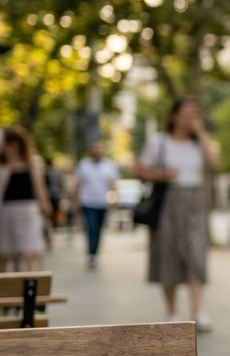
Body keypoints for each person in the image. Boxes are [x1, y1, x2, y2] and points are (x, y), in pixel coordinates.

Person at [134, 98, 219, 331]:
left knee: (195, 252)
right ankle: (172, 311)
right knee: (168, 251)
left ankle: (198, 311)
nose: (189, 119)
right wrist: (162, 176)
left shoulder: (198, 143)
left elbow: (214, 162)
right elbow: (140, 170)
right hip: (168, 201)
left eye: (194, 115)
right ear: (173, 116)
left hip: (195, 201)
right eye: (185, 114)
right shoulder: (159, 142)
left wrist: (201, 133)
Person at [0, 127, 52, 272]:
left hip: (28, 212)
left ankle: (31, 285)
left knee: (31, 252)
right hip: (5, 213)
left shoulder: (33, 164)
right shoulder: (2, 167)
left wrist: (46, 211)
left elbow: (40, 189)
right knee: (6, 254)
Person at [74, 140, 121, 268]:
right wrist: (75, 203)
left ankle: (95, 254)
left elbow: (113, 185)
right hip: (87, 202)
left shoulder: (109, 165)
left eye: (99, 148)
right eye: (95, 148)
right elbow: (78, 185)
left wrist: (114, 199)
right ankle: (91, 255)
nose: (97, 151)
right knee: (92, 228)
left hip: (102, 203)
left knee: (99, 230)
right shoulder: (83, 165)